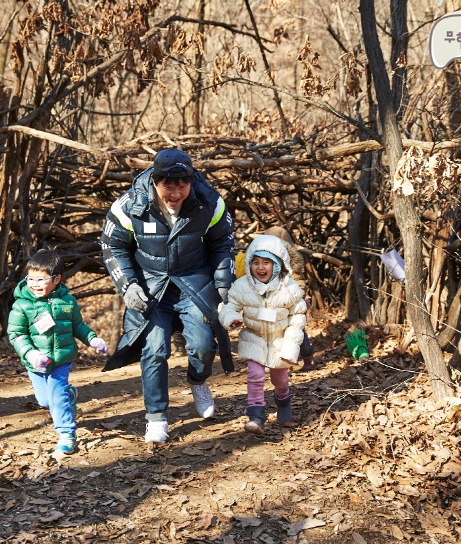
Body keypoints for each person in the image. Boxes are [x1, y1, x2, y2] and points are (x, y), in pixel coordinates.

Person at [101, 148, 235, 445]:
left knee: (202, 345)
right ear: (155, 181)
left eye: (182, 186)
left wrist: (224, 285)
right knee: (155, 348)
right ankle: (157, 418)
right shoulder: (129, 205)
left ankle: (198, 381)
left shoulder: (210, 202)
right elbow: (112, 247)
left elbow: (222, 244)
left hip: (193, 279)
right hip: (151, 284)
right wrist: (129, 285)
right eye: (168, 186)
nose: (176, 193)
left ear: (190, 181)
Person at [7, 249, 108, 453]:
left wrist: (93, 340)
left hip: (61, 359)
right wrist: (31, 354)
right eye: (31, 278)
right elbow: (16, 334)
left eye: (41, 279)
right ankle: (70, 394)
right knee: (44, 400)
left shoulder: (68, 302)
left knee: (56, 396)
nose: (34, 284)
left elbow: (78, 326)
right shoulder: (22, 305)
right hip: (35, 363)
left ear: (56, 279)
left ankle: (67, 434)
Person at [219, 235, 307, 434]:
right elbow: (228, 307)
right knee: (255, 375)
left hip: (279, 340)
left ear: (277, 264)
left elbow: (298, 317)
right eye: (256, 262)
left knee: (281, 380)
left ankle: (283, 401)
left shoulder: (290, 288)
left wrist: (291, 346)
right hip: (254, 337)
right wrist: (231, 317)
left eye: (266, 263)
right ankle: (256, 414)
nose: (260, 267)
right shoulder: (242, 286)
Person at [234, 226, 316, 370]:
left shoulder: (291, 266)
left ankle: (307, 358)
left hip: (285, 307)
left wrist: (301, 298)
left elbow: (298, 283)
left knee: (297, 333)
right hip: (265, 307)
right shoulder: (259, 263)